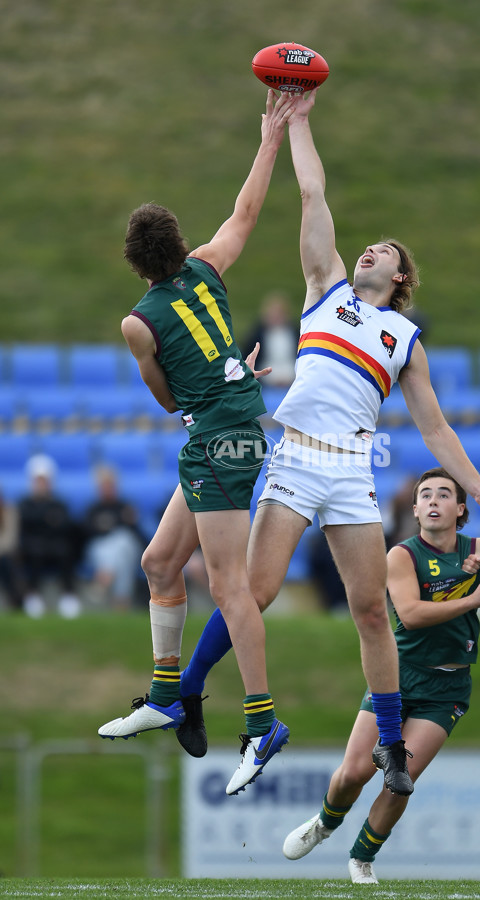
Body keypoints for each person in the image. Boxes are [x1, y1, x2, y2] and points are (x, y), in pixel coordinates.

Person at [176, 89, 480, 800]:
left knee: (371, 609)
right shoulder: (325, 288)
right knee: (257, 589)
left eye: (384, 253)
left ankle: (391, 747)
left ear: (399, 279)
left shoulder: (405, 340)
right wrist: (299, 123)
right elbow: (312, 191)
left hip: (351, 469)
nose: (368, 250)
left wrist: (479, 484)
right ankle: (187, 689)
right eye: (368, 246)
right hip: (297, 457)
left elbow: (434, 428)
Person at [98, 90, 297, 796]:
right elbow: (245, 212)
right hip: (232, 428)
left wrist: (211, 390)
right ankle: (166, 695)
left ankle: (262, 720)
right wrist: (270, 137)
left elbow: (164, 395)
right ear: (180, 245)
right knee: (159, 563)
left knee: (228, 585)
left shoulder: (136, 322)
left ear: (134, 261)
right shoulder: (209, 265)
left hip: (217, 439)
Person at [282, 468, 480, 883]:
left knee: (399, 781)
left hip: (448, 688)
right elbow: (411, 614)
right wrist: (475, 594)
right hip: (397, 677)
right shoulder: (401, 555)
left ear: (461, 508)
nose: (433, 501)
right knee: (354, 772)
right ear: (415, 508)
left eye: (444, 494)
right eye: (425, 495)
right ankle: (324, 823)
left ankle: (361, 858)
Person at [17, 454, 82, 619]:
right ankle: (33, 595)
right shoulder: (24, 504)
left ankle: (68, 595)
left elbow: (65, 527)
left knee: (65, 550)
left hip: (55, 548)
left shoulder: (59, 503)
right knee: (35, 550)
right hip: (33, 549)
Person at [82, 466, 145, 611]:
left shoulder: (126, 507)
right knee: (121, 551)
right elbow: (86, 536)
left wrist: (131, 522)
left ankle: (105, 577)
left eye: (110, 485)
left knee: (124, 541)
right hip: (100, 549)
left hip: (128, 549)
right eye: (104, 486)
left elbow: (139, 537)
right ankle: (121, 601)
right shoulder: (93, 509)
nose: (107, 489)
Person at [242, 290, 299, 387]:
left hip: (291, 380)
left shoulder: (295, 332)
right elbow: (247, 353)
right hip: (266, 381)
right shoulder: (258, 333)